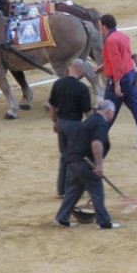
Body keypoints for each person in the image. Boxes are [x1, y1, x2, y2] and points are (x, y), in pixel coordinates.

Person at [54, 99, 121, 229]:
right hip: (85, 162)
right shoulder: (101, 123)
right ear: (109, 112)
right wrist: (99, 165)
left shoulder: (90, 120)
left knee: (74, 191)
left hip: (73, 159)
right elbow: (96, 143)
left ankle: (62, 218)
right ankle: (103, 222)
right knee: (97, 190)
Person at [98, 13, 137, 149]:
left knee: (107, 110)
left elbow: (117, 64)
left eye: (100, 26)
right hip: (130, 75)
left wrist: (117, 84)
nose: (99, 28)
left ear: (104, 26)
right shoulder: (123, 36)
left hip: (120, 79)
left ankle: (96, 139)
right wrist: (102, 67)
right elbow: (123, 57)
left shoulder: (110, 41)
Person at [49, 58, 93, 197]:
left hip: (61, 123)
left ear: (70, 68)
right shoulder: (82, 88)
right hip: (74, 125)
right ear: (81, 71)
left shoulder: (58, 84)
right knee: (75, 158)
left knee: (64, 156)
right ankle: (70, 188)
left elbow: (52, 106)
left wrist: (55, 122)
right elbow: (88, 112)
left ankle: (61, 189)